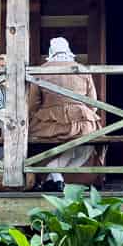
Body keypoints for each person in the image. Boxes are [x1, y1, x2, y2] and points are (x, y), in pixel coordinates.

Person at [27, 37, 102, 192]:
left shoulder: (41, 70)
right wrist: (85, 115)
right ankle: (55, 177)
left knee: (58, 146)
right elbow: (93, 101)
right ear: (68, 50)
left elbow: (33, 104)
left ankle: (53, 176)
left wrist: (39, 116)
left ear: (51, 51)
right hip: (82, 123)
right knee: (83, 145)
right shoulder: (82, 69)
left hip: (49, 123)